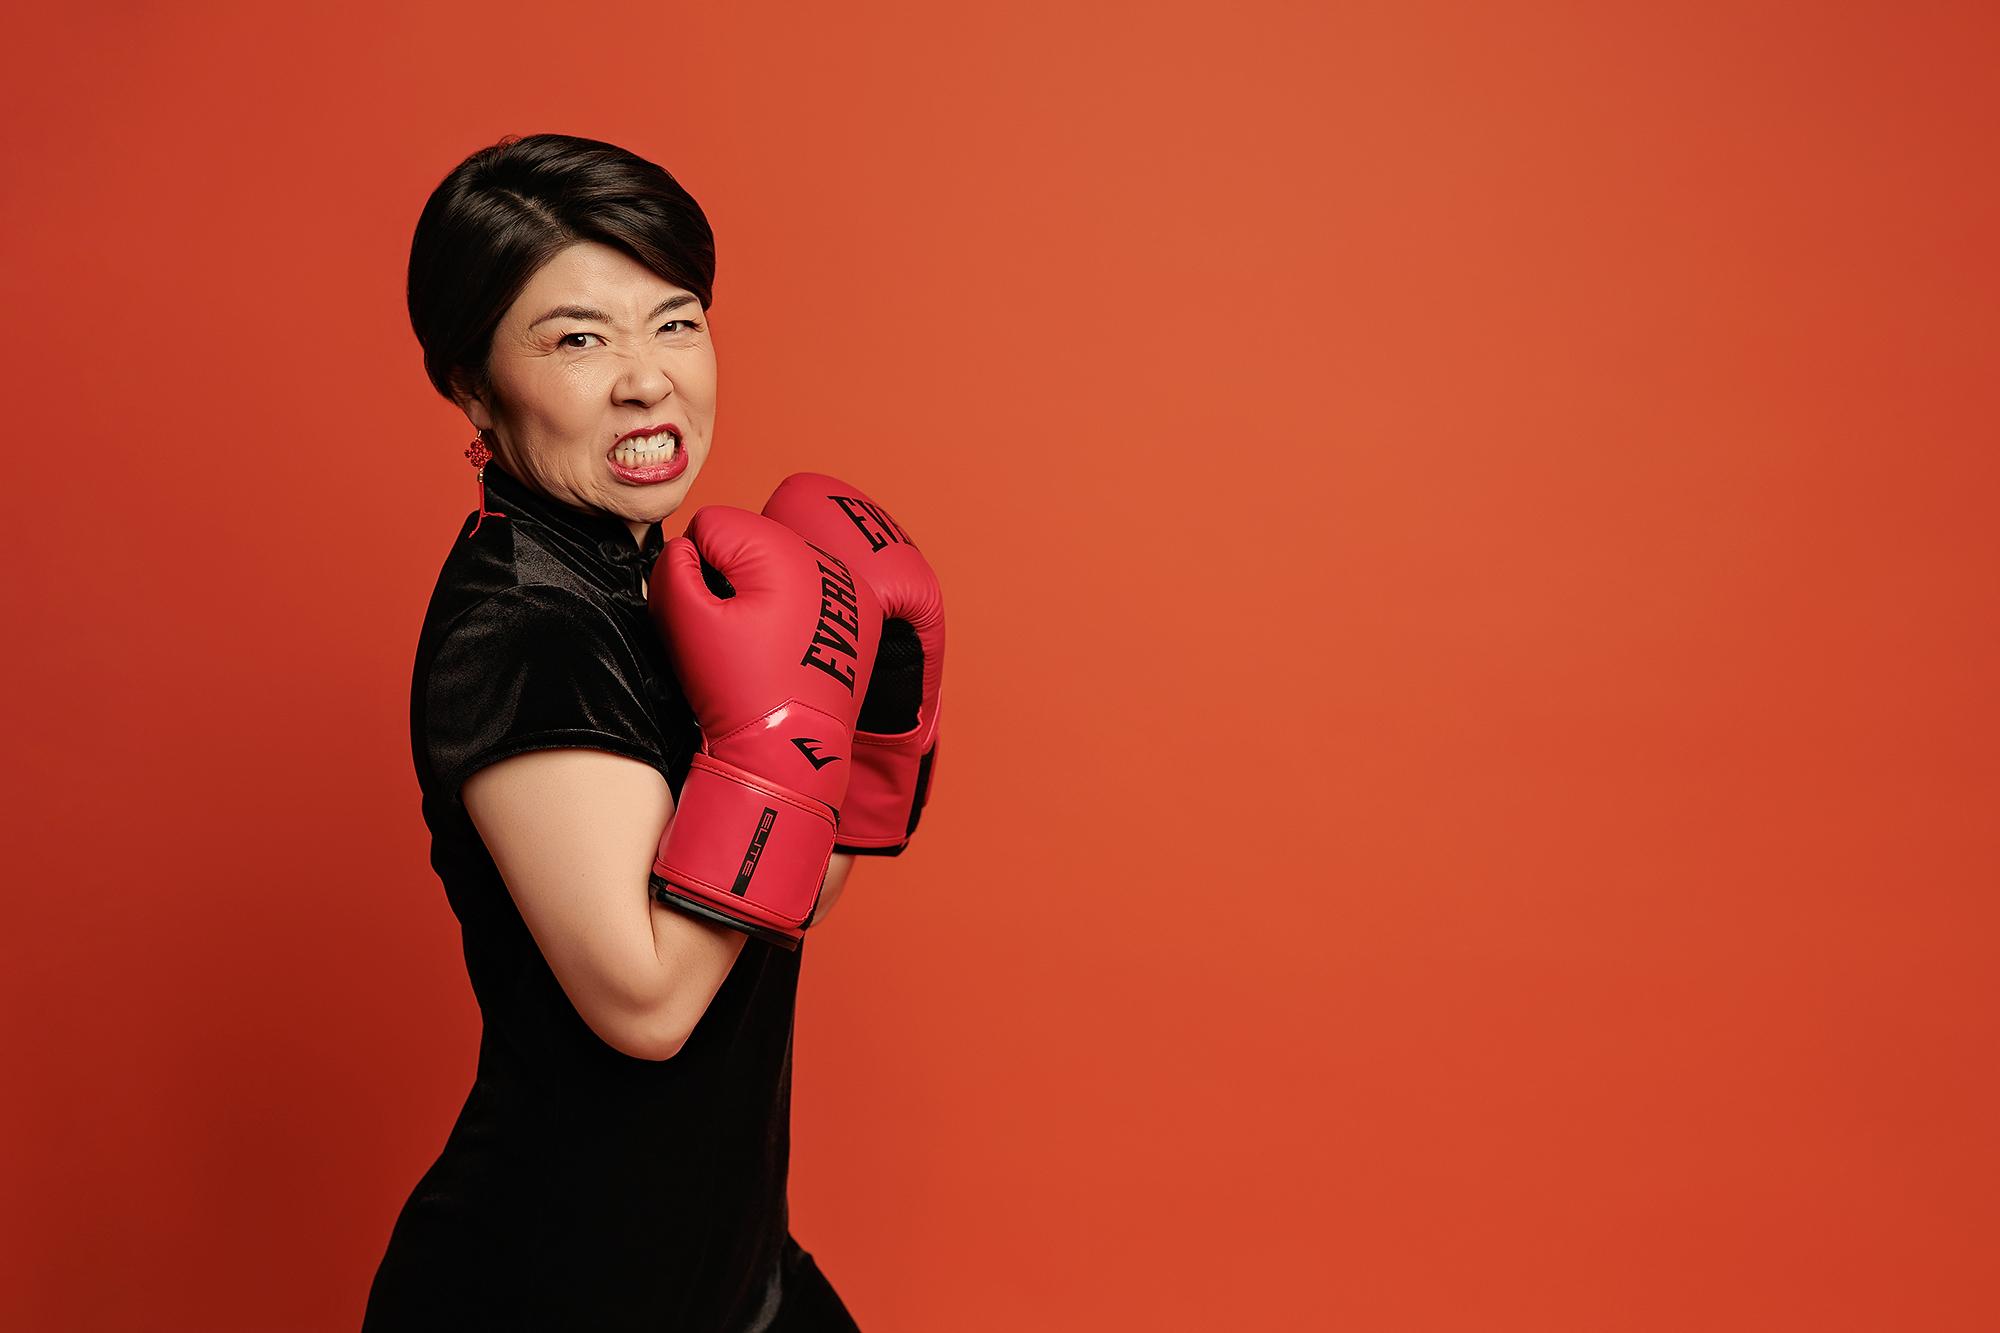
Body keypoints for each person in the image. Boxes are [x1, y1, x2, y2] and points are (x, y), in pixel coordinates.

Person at [363, 132, 940, 1332]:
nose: (647, 378)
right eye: (577, 338)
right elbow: (647, 1004)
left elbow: (775, 903)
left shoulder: (665, 586)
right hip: (547, 1291)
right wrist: (787, 732)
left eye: (674, 322)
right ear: (470, 382)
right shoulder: (522, 628)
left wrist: (872, 714)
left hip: (732, 1274)